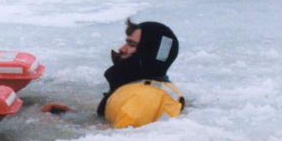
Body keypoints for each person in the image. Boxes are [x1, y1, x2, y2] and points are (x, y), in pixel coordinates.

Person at [43, 19, 185, 128]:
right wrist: (71, 116)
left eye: (132, 45)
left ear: (149, 52)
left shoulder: (140, 98)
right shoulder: (156, 88)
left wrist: (53, 123)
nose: (122, 49)